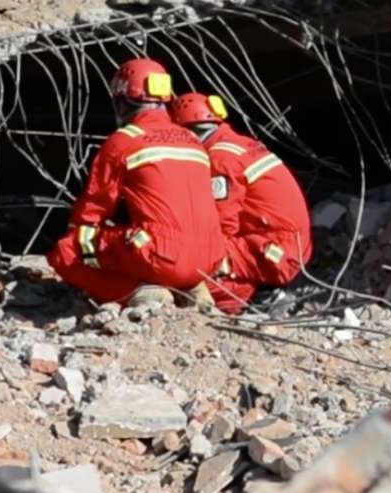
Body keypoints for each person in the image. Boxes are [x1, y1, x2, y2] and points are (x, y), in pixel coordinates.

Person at [47, 60, 224, 307]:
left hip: (162, 254)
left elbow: (94, 208)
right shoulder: (193, 141)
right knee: (143, 243)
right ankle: (192, 289)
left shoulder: (124, 141)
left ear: (121, 100)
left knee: (67, 251)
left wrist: (76, 235)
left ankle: (141, 292)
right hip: (209, 258)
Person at [169, 92, 312, 314]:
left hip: (273, 251)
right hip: (288, 245)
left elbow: (222, 225)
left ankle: (251, 297)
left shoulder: (220, 159)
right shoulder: (239, 144)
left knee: (188, 263)